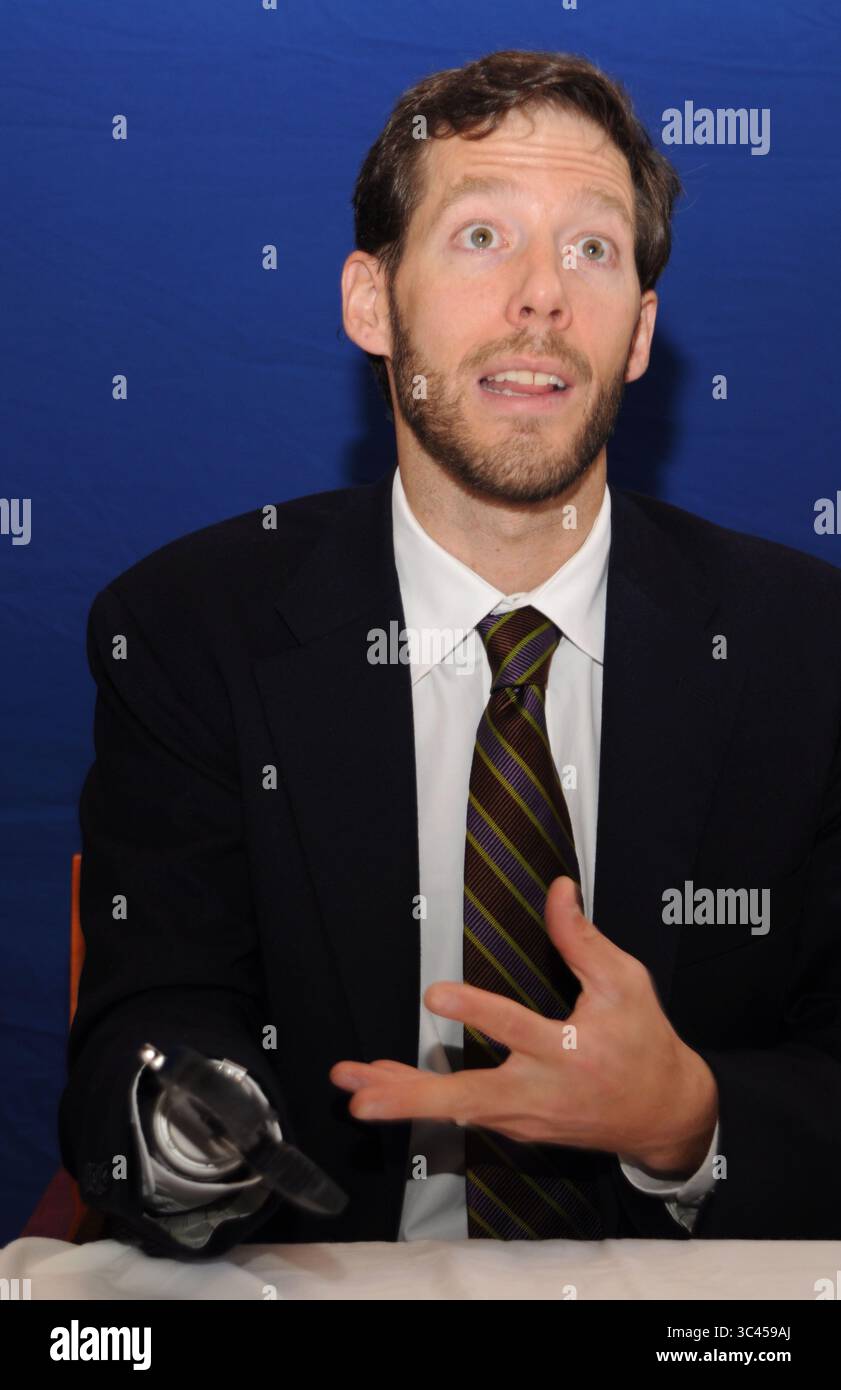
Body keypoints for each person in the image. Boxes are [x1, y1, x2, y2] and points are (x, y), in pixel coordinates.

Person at [59, 49, 841, 1258]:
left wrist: (692, 1121)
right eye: (482, 236)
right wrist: (190, 1137)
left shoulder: (810, 651)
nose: (541, 295)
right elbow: (151, 1020)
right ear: (371, 303)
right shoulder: (189, 631)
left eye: (590, 249)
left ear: (638, 333)